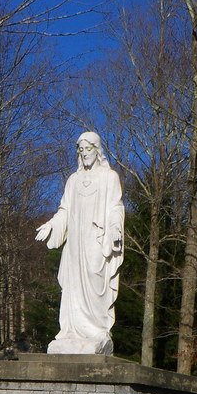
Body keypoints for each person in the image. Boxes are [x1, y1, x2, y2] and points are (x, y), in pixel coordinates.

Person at [35, 131, 124, 354]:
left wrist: (114, 229)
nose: (85, 153)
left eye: (88, 149)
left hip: (95, 240)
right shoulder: (73, 181)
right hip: (75, 242)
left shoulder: (109, 177)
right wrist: (51, 225)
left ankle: (96, 331)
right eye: (81, 150)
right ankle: (72, 332)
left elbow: (116, 206)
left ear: (97, 150)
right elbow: (64, 210)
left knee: (95, 282)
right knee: (73, 286)